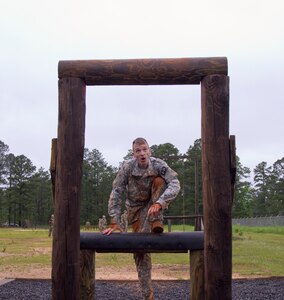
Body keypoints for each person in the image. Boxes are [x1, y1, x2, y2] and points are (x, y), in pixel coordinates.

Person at [103, 137, 180, 300]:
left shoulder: (158, 164)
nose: (142, 153)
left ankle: (156, 220)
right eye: (138, 151)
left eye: (145, 149)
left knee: (160, 180)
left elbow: (175, 183)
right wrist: (114, 220)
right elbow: (116, 191)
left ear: (149, 151)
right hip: (135, 209)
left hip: (154, 203)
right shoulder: (127, 167)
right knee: (141, 250)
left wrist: (160, 203)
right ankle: (148, 294)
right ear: (134, 154)